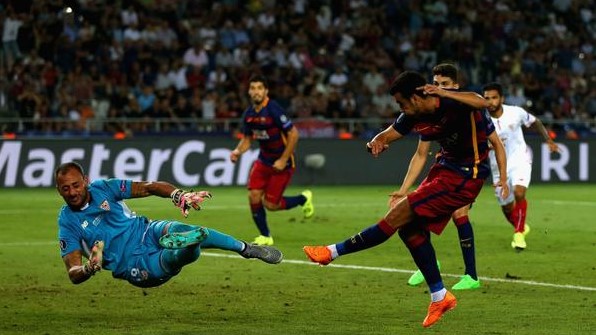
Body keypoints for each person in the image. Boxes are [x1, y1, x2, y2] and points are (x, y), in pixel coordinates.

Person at [303, 71, 509, 328]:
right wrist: (377, 141)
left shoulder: (454, 103)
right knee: (409, 230)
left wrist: (443, 91)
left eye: (402, 103)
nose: (401, 108)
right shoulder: (414, 115)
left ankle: (331, 252)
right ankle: (440, 296)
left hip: (467, 175)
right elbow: (391, 133)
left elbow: (484, 102)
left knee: (399, 215)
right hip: (444, 170)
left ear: (416, 97)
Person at [56, 162, 283, 287]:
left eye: (76, 185)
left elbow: (150, 186)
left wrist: (178, 195)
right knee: (182, 253)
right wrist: (88, 268)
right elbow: (73, 272)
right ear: (59, 191)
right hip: (132, 263)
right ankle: (188, 246)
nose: (72, 192)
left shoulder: (103, 188)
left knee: (184, 231)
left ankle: (246, 249)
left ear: (85, 181)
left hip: (146, 231)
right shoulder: (67, 222)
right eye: (66, 188)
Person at [390, 63, 482, 290]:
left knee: (459, 212)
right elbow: (421, 154)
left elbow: (494, 142)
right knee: (420, 206)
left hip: (472, 168)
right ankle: (430, 264)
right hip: (447, 167)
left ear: (456, 86)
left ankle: (471, 275)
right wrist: (404, 189)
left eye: (445, 85)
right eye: (436, 83)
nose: (438, 88)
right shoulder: (430, 114)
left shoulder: (465, 109)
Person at [230, 74, 314, 246]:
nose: (256, 92)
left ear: (266, 91)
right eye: (253, 88)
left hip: (283, 163)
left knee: (271, 205)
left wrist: (283, 159)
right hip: (264, 161)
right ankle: (265, 236)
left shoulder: (273, 109)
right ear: (249, 92)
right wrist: (238, 151)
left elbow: (294, 134)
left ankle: (303, 199)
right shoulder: (249, 114)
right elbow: (247, 139)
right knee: (253, 195)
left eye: (260, 88)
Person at [482, 82, 559, 250]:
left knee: (519, 192)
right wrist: (490, 146)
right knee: (507, 209)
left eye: (494, 98)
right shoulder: (480, 119)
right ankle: (522, 227)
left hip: (519, 160)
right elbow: (474, 143)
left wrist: (549, 140)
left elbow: (536, 122)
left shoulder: (515, 112)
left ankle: (518, 234)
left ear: (501, 98)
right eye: (486, 98)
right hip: (498, 167)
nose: (490, 102)